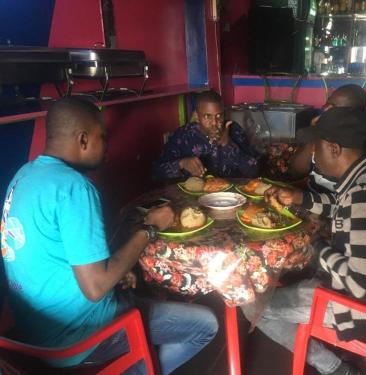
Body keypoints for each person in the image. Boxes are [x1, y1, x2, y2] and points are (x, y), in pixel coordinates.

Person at [0, 98, 218, 374]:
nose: (107, 147)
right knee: (205, 325)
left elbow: (59, 256)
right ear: (83, 139)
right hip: (76, 337)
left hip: (30, 330)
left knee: (130, 281)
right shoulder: (75, 188)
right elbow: (95, 288)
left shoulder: (25, 174)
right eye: (102, 137)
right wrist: (150, 228)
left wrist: (115, 271)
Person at [243, 107, 366, 375]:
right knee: (285, 284)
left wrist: (315, 244)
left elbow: (361, 286)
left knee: (252, 305)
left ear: (334, 149)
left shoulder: (362, 197)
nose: (313, 154)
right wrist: (300, 199)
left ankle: (335, 369)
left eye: (316, 147)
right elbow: (343, 206)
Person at [287, 84, 366, 218]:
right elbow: (294, 172)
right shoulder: (323, 135)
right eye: (326, 104)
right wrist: (314, 140)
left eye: (332, 106)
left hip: (343, 212)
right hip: (313, 199)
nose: (326, 109)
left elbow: (354, 204)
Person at [153, 90, 259, 180]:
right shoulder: (184, 135)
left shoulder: (234, 130)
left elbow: (255, 170)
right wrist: (182, 163)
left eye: (219, 116)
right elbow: (156, 172)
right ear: (196, 116)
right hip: (193, 199)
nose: (214, 122)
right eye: (207, 116)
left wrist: (228, 144)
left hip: (231, 197)